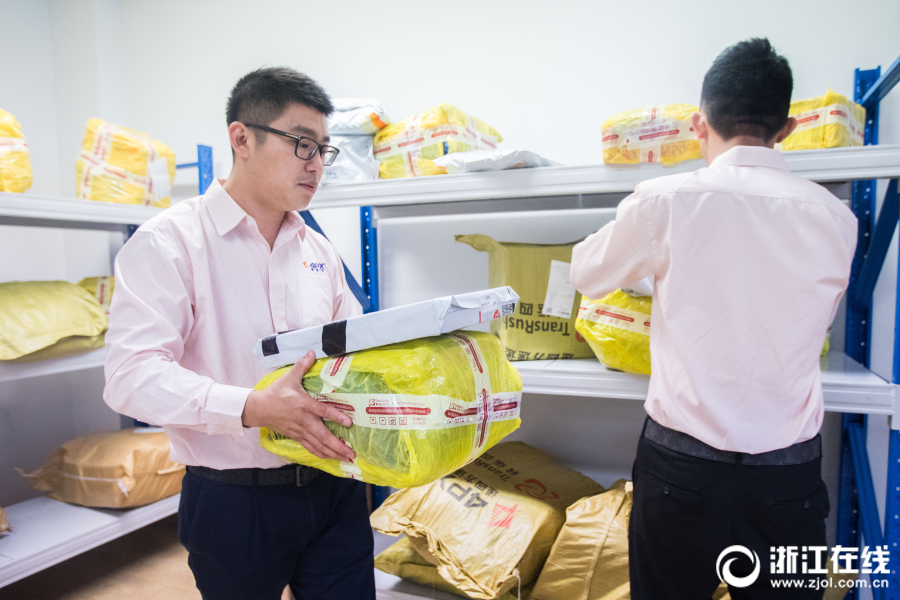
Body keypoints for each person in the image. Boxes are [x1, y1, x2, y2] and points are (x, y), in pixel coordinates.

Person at [571, 39, 857, 599]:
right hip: (788, 475)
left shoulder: (665, 201)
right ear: (787, 128)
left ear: (700, 125)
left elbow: (587, 273)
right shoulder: (836, 218)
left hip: (682, 468)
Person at [103, 67, 376, 600]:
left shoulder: (319, 251)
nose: (317, 164)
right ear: (242, 138)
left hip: (334, 487)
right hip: (234, 501)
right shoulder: (169, 244)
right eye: (302, 144)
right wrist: (252, 407)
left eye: (324, 150)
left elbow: (350, 354)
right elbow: (130, 377)